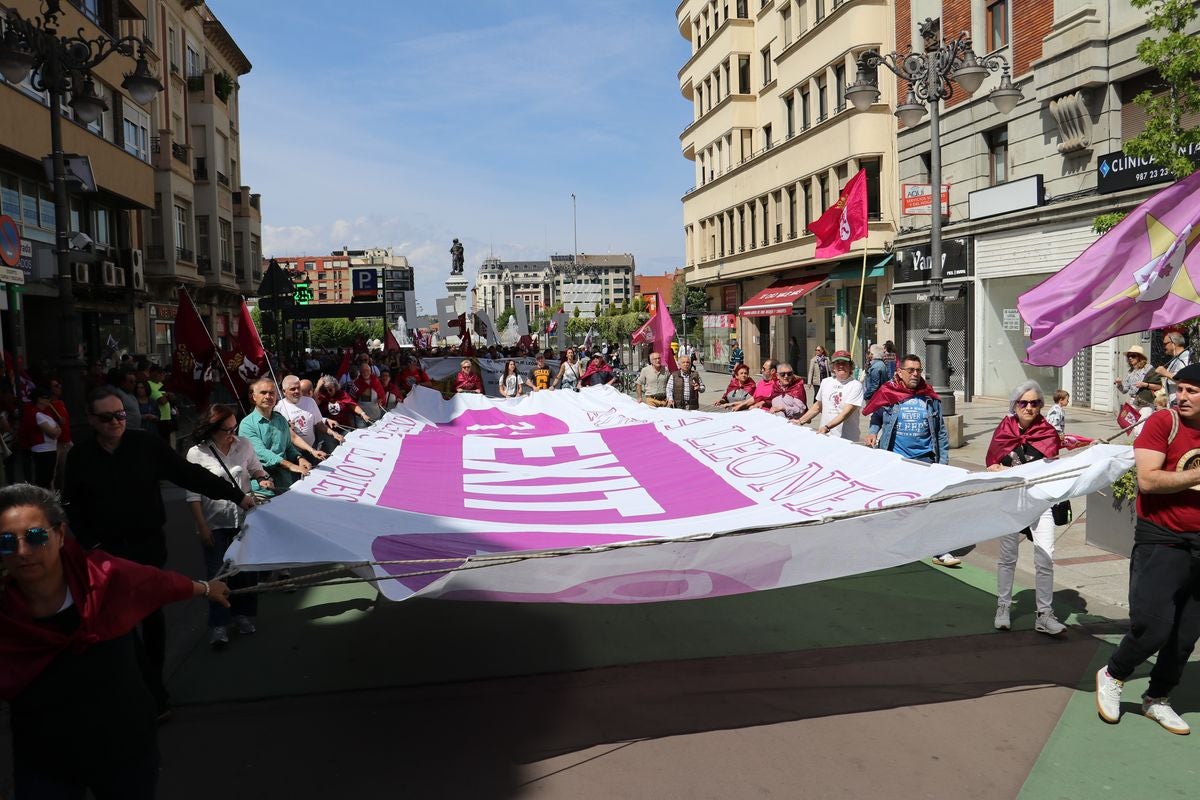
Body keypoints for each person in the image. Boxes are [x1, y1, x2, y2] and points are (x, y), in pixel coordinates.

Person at [0, 484, 232, 798]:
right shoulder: (5, 615)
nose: (22, 552)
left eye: (36, 536)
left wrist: (206, 588)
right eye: (6, 542)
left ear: (59, 533)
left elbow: (159, 584)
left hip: (125, 750)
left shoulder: (105, 577)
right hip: (44, 762)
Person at [62, 388, 254, 718]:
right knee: (121, 619)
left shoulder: (146, 445)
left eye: (120, 414)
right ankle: (139, 685)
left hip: (147, 546)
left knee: (150, 617)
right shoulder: (80, 457)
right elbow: (71, 504)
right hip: (107, 553)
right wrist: (90, 544)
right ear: (92, 420)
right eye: (106, 417)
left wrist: (237, 496)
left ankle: (153, 688)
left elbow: (189, 475)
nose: (115, 422)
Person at [1096, 362, 1200, 735]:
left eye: (1192, 391)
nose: (1182, 396)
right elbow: (1148, 481)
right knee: (1153, 626)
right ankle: (1114, 673)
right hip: (1163, 538)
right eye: (1181, 389)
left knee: (1186, 635)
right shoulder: (1163, 423)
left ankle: (1158, 698)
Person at [861, 354, 960, 567]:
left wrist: (943, 464)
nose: (915, 374)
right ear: (899, 372)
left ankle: (940, 551)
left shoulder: (929, 396)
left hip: (925, 460)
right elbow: (876, 417)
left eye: (918, 370)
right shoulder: (888, 392)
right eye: (911, 370)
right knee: (894, 506)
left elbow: (941, 432)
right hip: (895, 460)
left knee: (932, 506)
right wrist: (872, 432)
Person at [187, 404, 273, 647]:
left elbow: (256, 469)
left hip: (245, 519)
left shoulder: (243, 444)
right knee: (218, 573)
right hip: (215, 522)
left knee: (246, 571)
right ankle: (218, 625)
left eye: (234, 428)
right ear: (212, 429)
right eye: (226, 430)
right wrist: (202, 526)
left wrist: (263, 479)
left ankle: (243, 616)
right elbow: (192, 494)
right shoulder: (197, 453)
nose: (232, 434)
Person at [986, 381, 1067, 636]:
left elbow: (1054, 468)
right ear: (1015, 405)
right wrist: (1012, 473)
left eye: (1034, 403)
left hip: (1040, 501)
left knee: (1045, 557)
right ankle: (1003, 607)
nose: (1029, 407)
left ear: (1041, 405)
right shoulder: (1004, 429)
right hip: (1011, 502)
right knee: (1008, 558)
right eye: (1024, 403)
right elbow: (991, 464)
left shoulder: (1048, 431)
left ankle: (1044, 614)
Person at [239, 378, 318, 492]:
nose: (268, 396)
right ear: (253, 397)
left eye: (271, 393)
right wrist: (291, 466)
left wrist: (299, 458)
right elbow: (261, 453)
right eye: (263, 393)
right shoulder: (247, 425)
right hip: (263, 489)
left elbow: (288, 446)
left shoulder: (280, 419)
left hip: (286, 483)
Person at [795, 350, 862, 437]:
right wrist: (800, 421)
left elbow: (846, 412)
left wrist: (827, 427)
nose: (841, 366)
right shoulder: (826, 382)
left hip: (847, 437)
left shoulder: (856, 385)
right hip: (825, 435)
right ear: (833, 367)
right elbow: (818, 406)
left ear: (850, 366)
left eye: (845, 363)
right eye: (837, 363)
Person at [276, 374, 342, 454]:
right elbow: (276, 435)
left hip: (312, 448)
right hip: (293, 453)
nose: (297, 391)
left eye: (298, 388)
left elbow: (319, 424)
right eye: (293, 389)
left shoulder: (310, 402)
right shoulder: (278, 408)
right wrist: (286, 429)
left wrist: (333, 433)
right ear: (284, 391)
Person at [22, 388, 60, 488]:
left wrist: (56, 429)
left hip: (50, 448)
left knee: (48, 477)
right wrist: (56, 429)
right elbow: (53, 433)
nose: (49, 400)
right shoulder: (36, 413)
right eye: (46, 398)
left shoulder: (45, 413)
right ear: (39, 399)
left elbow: (58, 430)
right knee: (44, 479)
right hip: (43, 450)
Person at [1155, 330, 1191, 406]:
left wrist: (1165, 373)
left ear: (1173, 343)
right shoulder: (1175, 359)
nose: (1164, 347)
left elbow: (1185, 379)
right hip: (1173, 402)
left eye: (1165, 344)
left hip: (1180, 402)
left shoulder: (1185, 357)